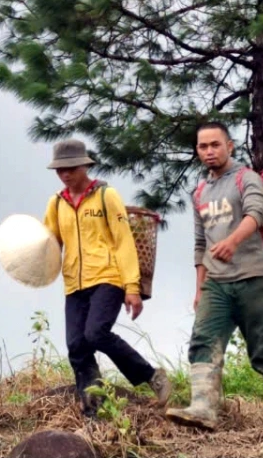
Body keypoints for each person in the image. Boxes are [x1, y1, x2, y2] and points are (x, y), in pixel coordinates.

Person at [164, 122, 263, 431]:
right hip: (217, 283)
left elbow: (256, 214)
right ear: (197, 150)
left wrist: (232, 241)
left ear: (229, 146)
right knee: (203, 339)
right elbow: (200, 244)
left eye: (215, 145)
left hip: (255, 276)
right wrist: (199, 288)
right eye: (202, 146)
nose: (209, 151)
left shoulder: (244, 178)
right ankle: (203, 408)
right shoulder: (200, 192)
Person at [41, 138, 171, 418]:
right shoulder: (56, 203)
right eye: (60, 170)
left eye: (71, 168)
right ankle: (92, 405)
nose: (65, 174)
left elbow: (124, 242)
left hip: (108, 277)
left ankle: (151, 376)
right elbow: (50, 242)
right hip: (74, 283)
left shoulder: (105, 196)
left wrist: (132, 287)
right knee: (76, 345)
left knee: (96, 333)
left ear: (84, 166)